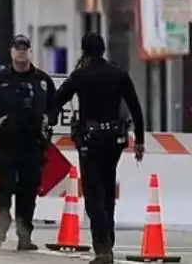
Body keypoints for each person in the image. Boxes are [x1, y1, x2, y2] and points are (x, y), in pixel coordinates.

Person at [51, 33, 145, 264]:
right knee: (107, 189)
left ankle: (102, 248)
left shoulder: (80, 76)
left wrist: (45, 118)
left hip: (90, 141)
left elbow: (57, 100)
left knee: (94, 194)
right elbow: (135, 107)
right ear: (103, 49)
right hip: (114, 139)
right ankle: (108, 241)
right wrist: (140, 140)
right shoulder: (119, 74)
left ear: (84, 50)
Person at [0, 34, 56, 251]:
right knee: (5, 190)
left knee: (28, 192)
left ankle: (24, 236)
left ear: (30, 51)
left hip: (33, 145)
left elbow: (55, 106)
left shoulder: (42, 80)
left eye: (25, 48)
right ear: (11, 52)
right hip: (7, 145)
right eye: (17, 48)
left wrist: (49, 118)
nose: (21, 52)